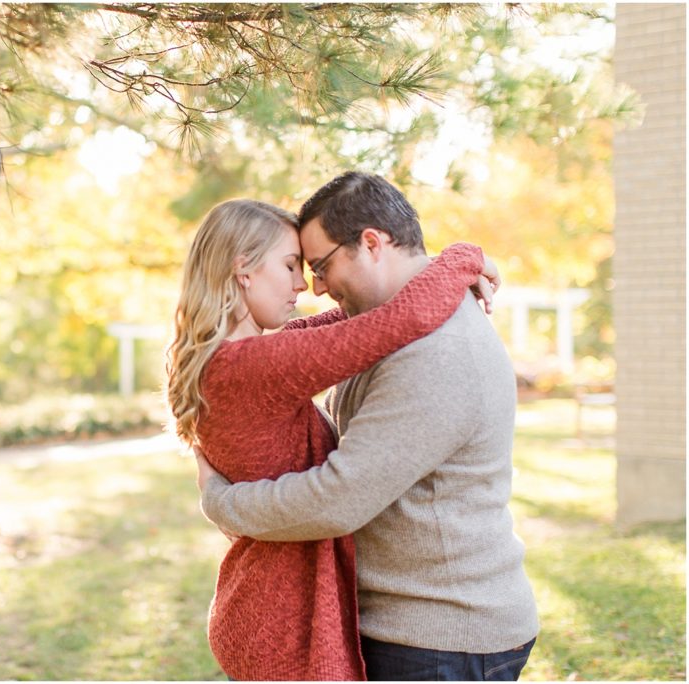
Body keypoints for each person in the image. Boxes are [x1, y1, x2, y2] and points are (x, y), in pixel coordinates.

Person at [195, 173, 539, 681]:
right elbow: (291, 349)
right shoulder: (383, 328)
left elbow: (339, 499)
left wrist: (223, 503)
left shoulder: (435, 351)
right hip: (411, 625)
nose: (315, 287)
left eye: (319, 266)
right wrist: (460, 258)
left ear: (371, 244)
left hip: (439, 637)